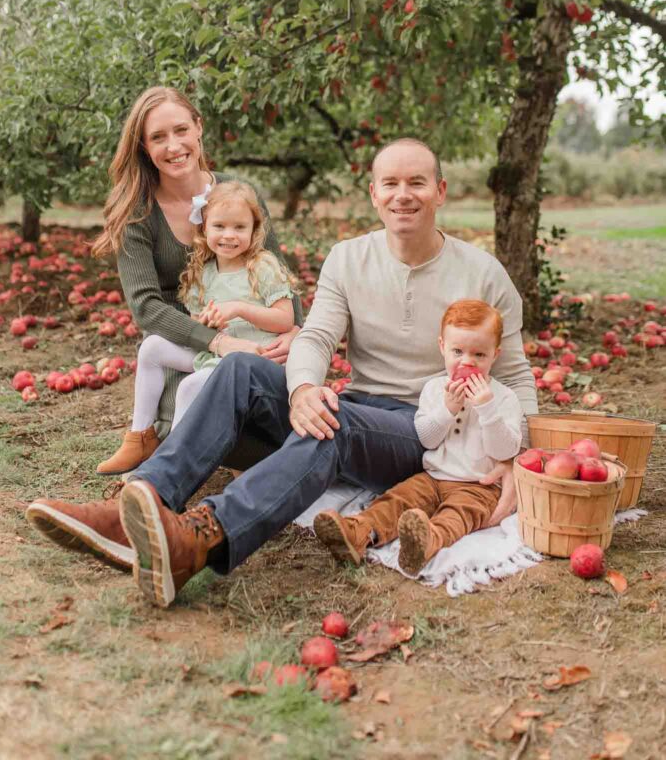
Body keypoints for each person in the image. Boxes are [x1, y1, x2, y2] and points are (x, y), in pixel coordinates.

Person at [27, 137, 537, 605]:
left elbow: (514, 375)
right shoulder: (348, 258)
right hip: (361, 404)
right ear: (374, 194)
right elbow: (314, 336)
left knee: (328, 427)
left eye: (417, 183)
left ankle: (199, 539)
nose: (404, 195)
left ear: (440, 191)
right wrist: (303, 389)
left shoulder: (482, 272)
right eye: (391, 184)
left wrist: (521, 458)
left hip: (425, 430)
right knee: (241, 370)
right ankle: (138, 506)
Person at [90, 85, 302, 451]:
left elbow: (278, 274)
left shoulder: (241, 194)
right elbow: (146, 308)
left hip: (254, 335)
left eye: (181, 130)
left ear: (199, 128)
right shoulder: (135, 212)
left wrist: (296, 330)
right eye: (158, 137)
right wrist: (218, 342)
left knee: (257, 420)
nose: (173, 146)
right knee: (198, 411)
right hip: (186, 339)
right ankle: (152, 453)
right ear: (143, 146)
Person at [96, 181, 296, 475]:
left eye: (239, 227)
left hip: (251, 359)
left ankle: (170, 467)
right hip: (216, 353)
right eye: (219, 226)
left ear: (255, 230)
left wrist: (240, 309)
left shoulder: (261, 266)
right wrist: (204, 323)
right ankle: (140, 435)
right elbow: (196, 320)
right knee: (151, 347)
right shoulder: (203, 271)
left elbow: (285, 319)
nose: (229, 235)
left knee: (189, 387)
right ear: (204, 229)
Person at [313, 299, 524, 575]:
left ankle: (426, 542)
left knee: (458, 516)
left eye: (479, 355)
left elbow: (504, 451)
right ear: (442, 348)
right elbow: (426, 439)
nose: (467, 362)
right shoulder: (435, 390)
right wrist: (447, 409)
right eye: (457, 351)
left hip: (478, 486)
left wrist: (487, 409)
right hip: (434, 477)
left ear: (495, 355)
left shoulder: (505, 398)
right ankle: (357, 532)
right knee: (398, 499)